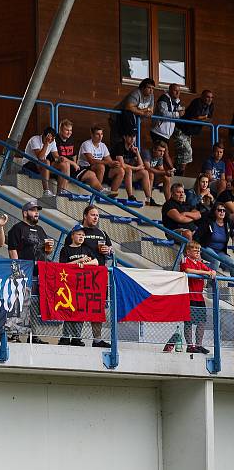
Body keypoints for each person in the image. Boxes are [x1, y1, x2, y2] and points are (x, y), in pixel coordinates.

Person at [6, 200, 48, 344]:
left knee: (35, 304)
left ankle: (33, 335)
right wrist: (18, 272)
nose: (36, 213)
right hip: (23, 272)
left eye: (37, 210)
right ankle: (15, 334)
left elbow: (45, 251)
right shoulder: (17, 229)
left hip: (38, 272)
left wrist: (48, 249)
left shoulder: (41, 230)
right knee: (20, 302)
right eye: (33, 210)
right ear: (25, 213)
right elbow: (12, 251)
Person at [78, 205, 112, 348]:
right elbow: (70, 248)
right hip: (83, 274)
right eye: (93, 215)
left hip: (100, 275)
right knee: (79, 305)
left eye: (97, 215)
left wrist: (108, 250)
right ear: (85, 216)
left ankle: (97, 339)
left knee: (97, 307)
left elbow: (111, 251)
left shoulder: (103, 233)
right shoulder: (77, 231)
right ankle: (75, 337)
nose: (95, 217)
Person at [57, 227, 98, 347]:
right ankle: (66, 336)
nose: (81, 237)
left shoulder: (86, 249)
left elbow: (96, 262)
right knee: (68, 310)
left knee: (80, 312)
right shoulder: (66, 250)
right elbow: (63, 265)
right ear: (72, 236)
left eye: (83, 235)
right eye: (79, 234)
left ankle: (76, 337)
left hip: (82, 286)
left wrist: (84, 264)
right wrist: (79, 261)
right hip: (69, 285)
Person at [178, 241, 213, 354]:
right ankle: (190, 346)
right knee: (188, 322)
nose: (198, 252)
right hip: (188, 297)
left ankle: (198, 345)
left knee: (202, 322)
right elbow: (187, 270)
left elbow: (211, 271)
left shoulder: (199, 263)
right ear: (188, 251)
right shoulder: (185, 260)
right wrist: (204, 272)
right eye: (195, 250)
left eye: (199, 250)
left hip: (199, 298)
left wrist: (212, 272)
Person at [53, 119, 104, 195]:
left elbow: (74, 155)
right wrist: (73, 164)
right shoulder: (55, 140)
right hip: (58, 166)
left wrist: (75, 164)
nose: (69, 132)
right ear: (60, 129)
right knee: (65, 164)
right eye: (67, 130)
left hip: (71, 166)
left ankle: (102, 191)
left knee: (91, 174)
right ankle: (62, 192)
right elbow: (59, 158)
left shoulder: (71, 139)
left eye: (70, 130)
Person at [78, 124, 125, 198]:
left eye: (101, 134)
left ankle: (111, 196)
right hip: (85, 169)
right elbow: (91, 161)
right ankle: (98, 193)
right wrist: (109, 162)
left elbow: (109, 162)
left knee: (120, 170)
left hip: (99, 170)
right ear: (92, 135)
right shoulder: (86, 144)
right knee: (101, 166)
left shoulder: (103, 145)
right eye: (97, 134)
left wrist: (115, 164)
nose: (100, 136)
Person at [175, 90, 214, 176]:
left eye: (211, 97)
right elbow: (193, 118)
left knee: (182, 155)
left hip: (189, 133)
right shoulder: (197, 102)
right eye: (207, 97)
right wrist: (204, 117)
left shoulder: (211, 105)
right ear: (202, 97)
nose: (210, 99)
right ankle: (178, 175)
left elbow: (210, 119)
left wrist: (200, 118)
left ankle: (177, 176)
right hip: (181, 129)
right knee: (187, 152)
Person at [112, 132, 155, 205]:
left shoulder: (132, 148)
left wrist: (137, 153)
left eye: (134, 137)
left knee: (145, 172)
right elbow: (122, 165)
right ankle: (130, 196)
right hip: (115, 172)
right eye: (130, 137)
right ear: (125, 137)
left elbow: (141, 165)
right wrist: (136, 168)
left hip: (128, 175)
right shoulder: (120, 146)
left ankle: (149, 198)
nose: (132, 139)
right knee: (128, 170)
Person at [152, 83, 183, 170]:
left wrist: (180, 112)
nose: (177, 93)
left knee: (162, 154)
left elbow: (180, 114)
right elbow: (163, 113)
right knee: (164, 153)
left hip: (166, 134)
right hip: (158, 131)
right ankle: (172, 171)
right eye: (175, 90)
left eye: (179, 91)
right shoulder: (163, 98)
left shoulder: (177, 101)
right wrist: (177, 114)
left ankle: (162, 173)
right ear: (169, 90)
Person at [113, 78, 154, 143]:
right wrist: (143, 112)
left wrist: (139, 110)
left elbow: (151, 110)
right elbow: (129, 107)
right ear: (142, 88)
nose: (151, 90)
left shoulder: (151, 96)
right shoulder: (136, 93)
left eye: (152, 88)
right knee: (118, 140)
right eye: (149, 88)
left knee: (131, 141)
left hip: (133, 121)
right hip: (118, 117)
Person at [23, 126, 59, 197]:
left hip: (41, 165)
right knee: (46, 162)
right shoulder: (34, 139)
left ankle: (61, 192)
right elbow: (40, 157)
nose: (51, 141)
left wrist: (60, 159)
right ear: (44, 135)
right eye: (49, 138)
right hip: (29, 164)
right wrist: (46, 144)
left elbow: (56, 156)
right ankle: (46, 191)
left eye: (53, 139)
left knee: (64, 164)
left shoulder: (53, 141)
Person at [194, 203, 231, 272]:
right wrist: (197, 250)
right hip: (206, 248)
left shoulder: (227, 223)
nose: (222, 212)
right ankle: (210, 282)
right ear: (214, 211)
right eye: (220, 210)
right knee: (216, 261)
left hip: (220, 252)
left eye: (224, 210)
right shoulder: (208, 222)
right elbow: (196, 236)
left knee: (232, 264)